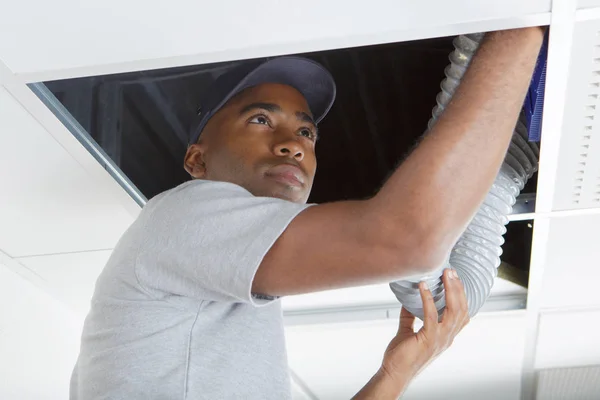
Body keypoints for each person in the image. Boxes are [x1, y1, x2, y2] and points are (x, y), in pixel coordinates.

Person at [70, 27, 545, 399]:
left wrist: (520, 31)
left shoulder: (198, 242)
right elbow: (410, 242)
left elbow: (410, 244)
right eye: (260, 119)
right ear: (197, 160)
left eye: (307, 133)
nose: (293, 144)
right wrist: (397, 375)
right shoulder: (181, 218)